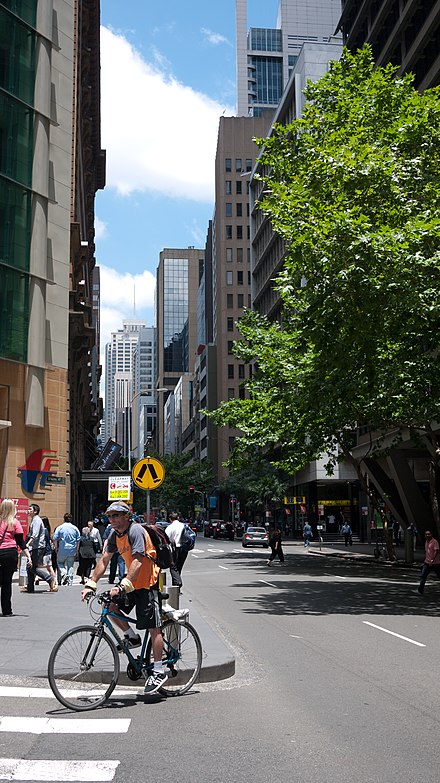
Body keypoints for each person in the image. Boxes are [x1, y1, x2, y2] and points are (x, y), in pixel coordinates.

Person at [81, 501, 168, 695]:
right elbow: (104, 559)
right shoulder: (114, 534)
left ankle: (159, 670)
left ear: (126, 516)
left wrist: (123, 585)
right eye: (110, 516)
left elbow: (138, 560)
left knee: (154, 628)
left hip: (148, 583)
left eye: (116, 516)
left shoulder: (135, 530)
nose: (112, 520)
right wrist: (91, 583)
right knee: (110, 607)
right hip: (131, 583)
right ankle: (131, 637)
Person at [0, 499, 31, 615]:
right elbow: (21, 542)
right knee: (7, 583)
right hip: (10, 554)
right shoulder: (15, 523)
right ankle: (7, 610)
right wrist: (29, 556)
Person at [24, 504, 56, 593]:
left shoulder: (37, 520)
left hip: (37, 547)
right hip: (35, 547)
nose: (28, 511)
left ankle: (49, 578)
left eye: (30, 509)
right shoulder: (34, 520)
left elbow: (35, 535)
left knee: (31, 568)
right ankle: (30, 587)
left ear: (35, 511)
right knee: (30, 567)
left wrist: (27, 544)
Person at [53, 513, 80, 586]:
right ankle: (70, 581)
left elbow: (55, 538)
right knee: (70, 565)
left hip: (62, 549)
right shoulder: (75, 528)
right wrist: (77, 550)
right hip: (72, 550)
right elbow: (78, 540)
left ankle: (64, 573)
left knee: (60, 563)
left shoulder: (60, 527)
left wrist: (56, 547)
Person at [165, 511, 186, 587]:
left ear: (170, 519)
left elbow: (165, 539)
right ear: (178, 518)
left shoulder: (170, 527)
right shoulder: (184, 525)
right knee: (179, 567)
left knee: (173, 567)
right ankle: (176, 588)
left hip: (174, 549)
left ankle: (177, 583)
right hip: (184, 549)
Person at [417, 530, 440, 595]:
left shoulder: (435, 542)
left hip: (435, 563)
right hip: (427, 562)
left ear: (431, 534)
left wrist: (432, 559)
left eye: (429, 534)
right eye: (426, 534)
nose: (427, 535)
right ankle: (420, 589)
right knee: (423, 576)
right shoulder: (426, 542)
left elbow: (436, 551)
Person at [41, 517, 58, 591]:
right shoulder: (47, 530)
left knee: (49, 568)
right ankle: (54, 584)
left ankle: (54, 584)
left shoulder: (43, 531)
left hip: (45, 552)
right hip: (47, 551)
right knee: (50, 568)